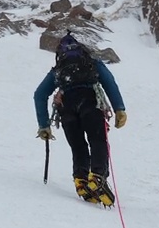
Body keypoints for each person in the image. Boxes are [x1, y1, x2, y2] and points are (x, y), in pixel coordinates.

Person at [34, 33, 127, 206]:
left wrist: (44, 125)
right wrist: (119, 108)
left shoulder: (59, 70)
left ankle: (81, 180)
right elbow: (109, 82)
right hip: (90, 103)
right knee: (97, 140)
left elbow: (39, 95)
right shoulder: (91, 63)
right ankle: (98, 177)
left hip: (67, 108)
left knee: (78, 146)